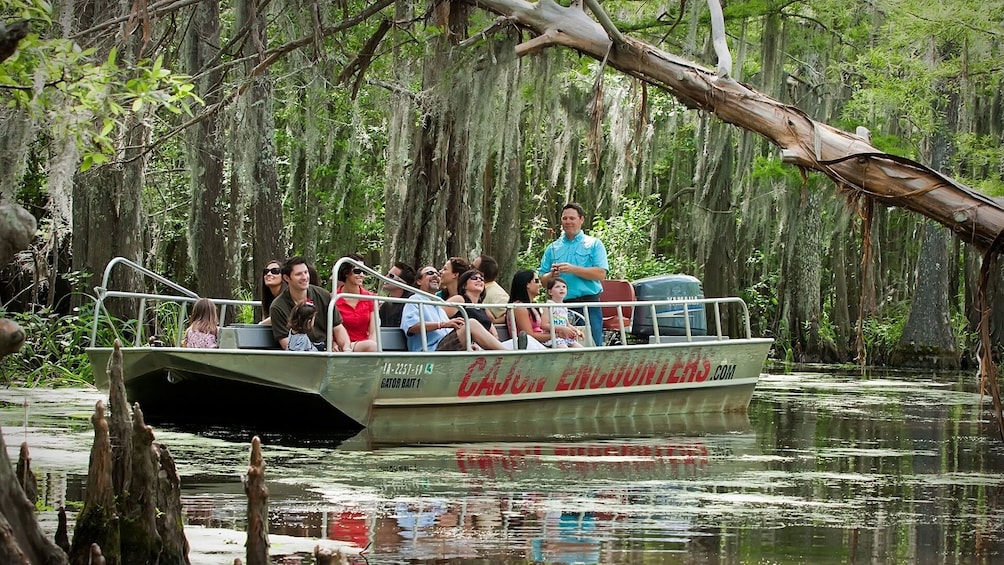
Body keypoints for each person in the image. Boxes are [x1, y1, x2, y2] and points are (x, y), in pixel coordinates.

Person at [539, 203, 609, 347]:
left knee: (593, 345)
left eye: (572, 218)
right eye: (565, 218)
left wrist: (573, 269)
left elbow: (601, 274)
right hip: (562, 307)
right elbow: (543, 281)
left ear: (581, 219)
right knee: (564, 346)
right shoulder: (552, 248)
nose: (568, 222)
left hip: (589, 304)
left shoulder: (594, 244)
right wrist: (551, 274)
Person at [401, 266, 513, 352]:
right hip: (431, 350)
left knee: (472, 332)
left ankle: (509, 355)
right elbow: (411, 327)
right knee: (471, 324)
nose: (435, 275)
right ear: (419, 281)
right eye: (430, 273)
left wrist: (468, 344)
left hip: (445, 346)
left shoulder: (437, 304)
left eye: (438, 274)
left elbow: (447, 331)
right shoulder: (415, 300)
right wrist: (442, 324)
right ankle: (509, 355)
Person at [270, 256, 352, 351]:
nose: (304, 277)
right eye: (298, 274)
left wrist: (347, 350)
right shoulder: (278, 306)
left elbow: (338, 328)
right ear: (286, 278)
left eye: (306, 272)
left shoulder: (323, 295)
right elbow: (288, 345)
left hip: (326, 350)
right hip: (301, 356)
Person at [334, 256, 378, 352]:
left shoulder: (370, 298)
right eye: (357, 271)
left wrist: (371, 349)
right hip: (341, 345)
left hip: (364, 346)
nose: (362, 275)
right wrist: (333, 343)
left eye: (364, 271)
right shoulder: (334, 298)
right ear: (346, 273)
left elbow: (373, 332)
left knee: (372, 345)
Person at [541, 277, 583, 348]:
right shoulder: (549, 305)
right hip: (553, 337)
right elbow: (544, 325)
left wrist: (576, 331)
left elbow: (567, 324)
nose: (561, 289)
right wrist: (561, 328)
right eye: (557, 287)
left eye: (564, 287)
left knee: (581, 349)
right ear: (550, 292)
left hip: (565, 337)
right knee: (564, 349)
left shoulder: (564, 307)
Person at [473, 254, 509, 323]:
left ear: (480, 274)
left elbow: (510, 316)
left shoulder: (498, 294)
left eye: (472, 267)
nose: (469, 269)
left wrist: (491, 323)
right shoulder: (478, 289)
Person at [379, 261, 416, 328]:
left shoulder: (412, 303)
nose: (386, 277)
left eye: (391, 276)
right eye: (387, 274)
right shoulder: (386, 305)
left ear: (402, 283)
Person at [258, 259, 285, 325]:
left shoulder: (287, 296)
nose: (269, 274)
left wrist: (261, 324)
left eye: (275, 271)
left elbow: (279, 316)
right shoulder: (267, 299)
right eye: (266, 271)